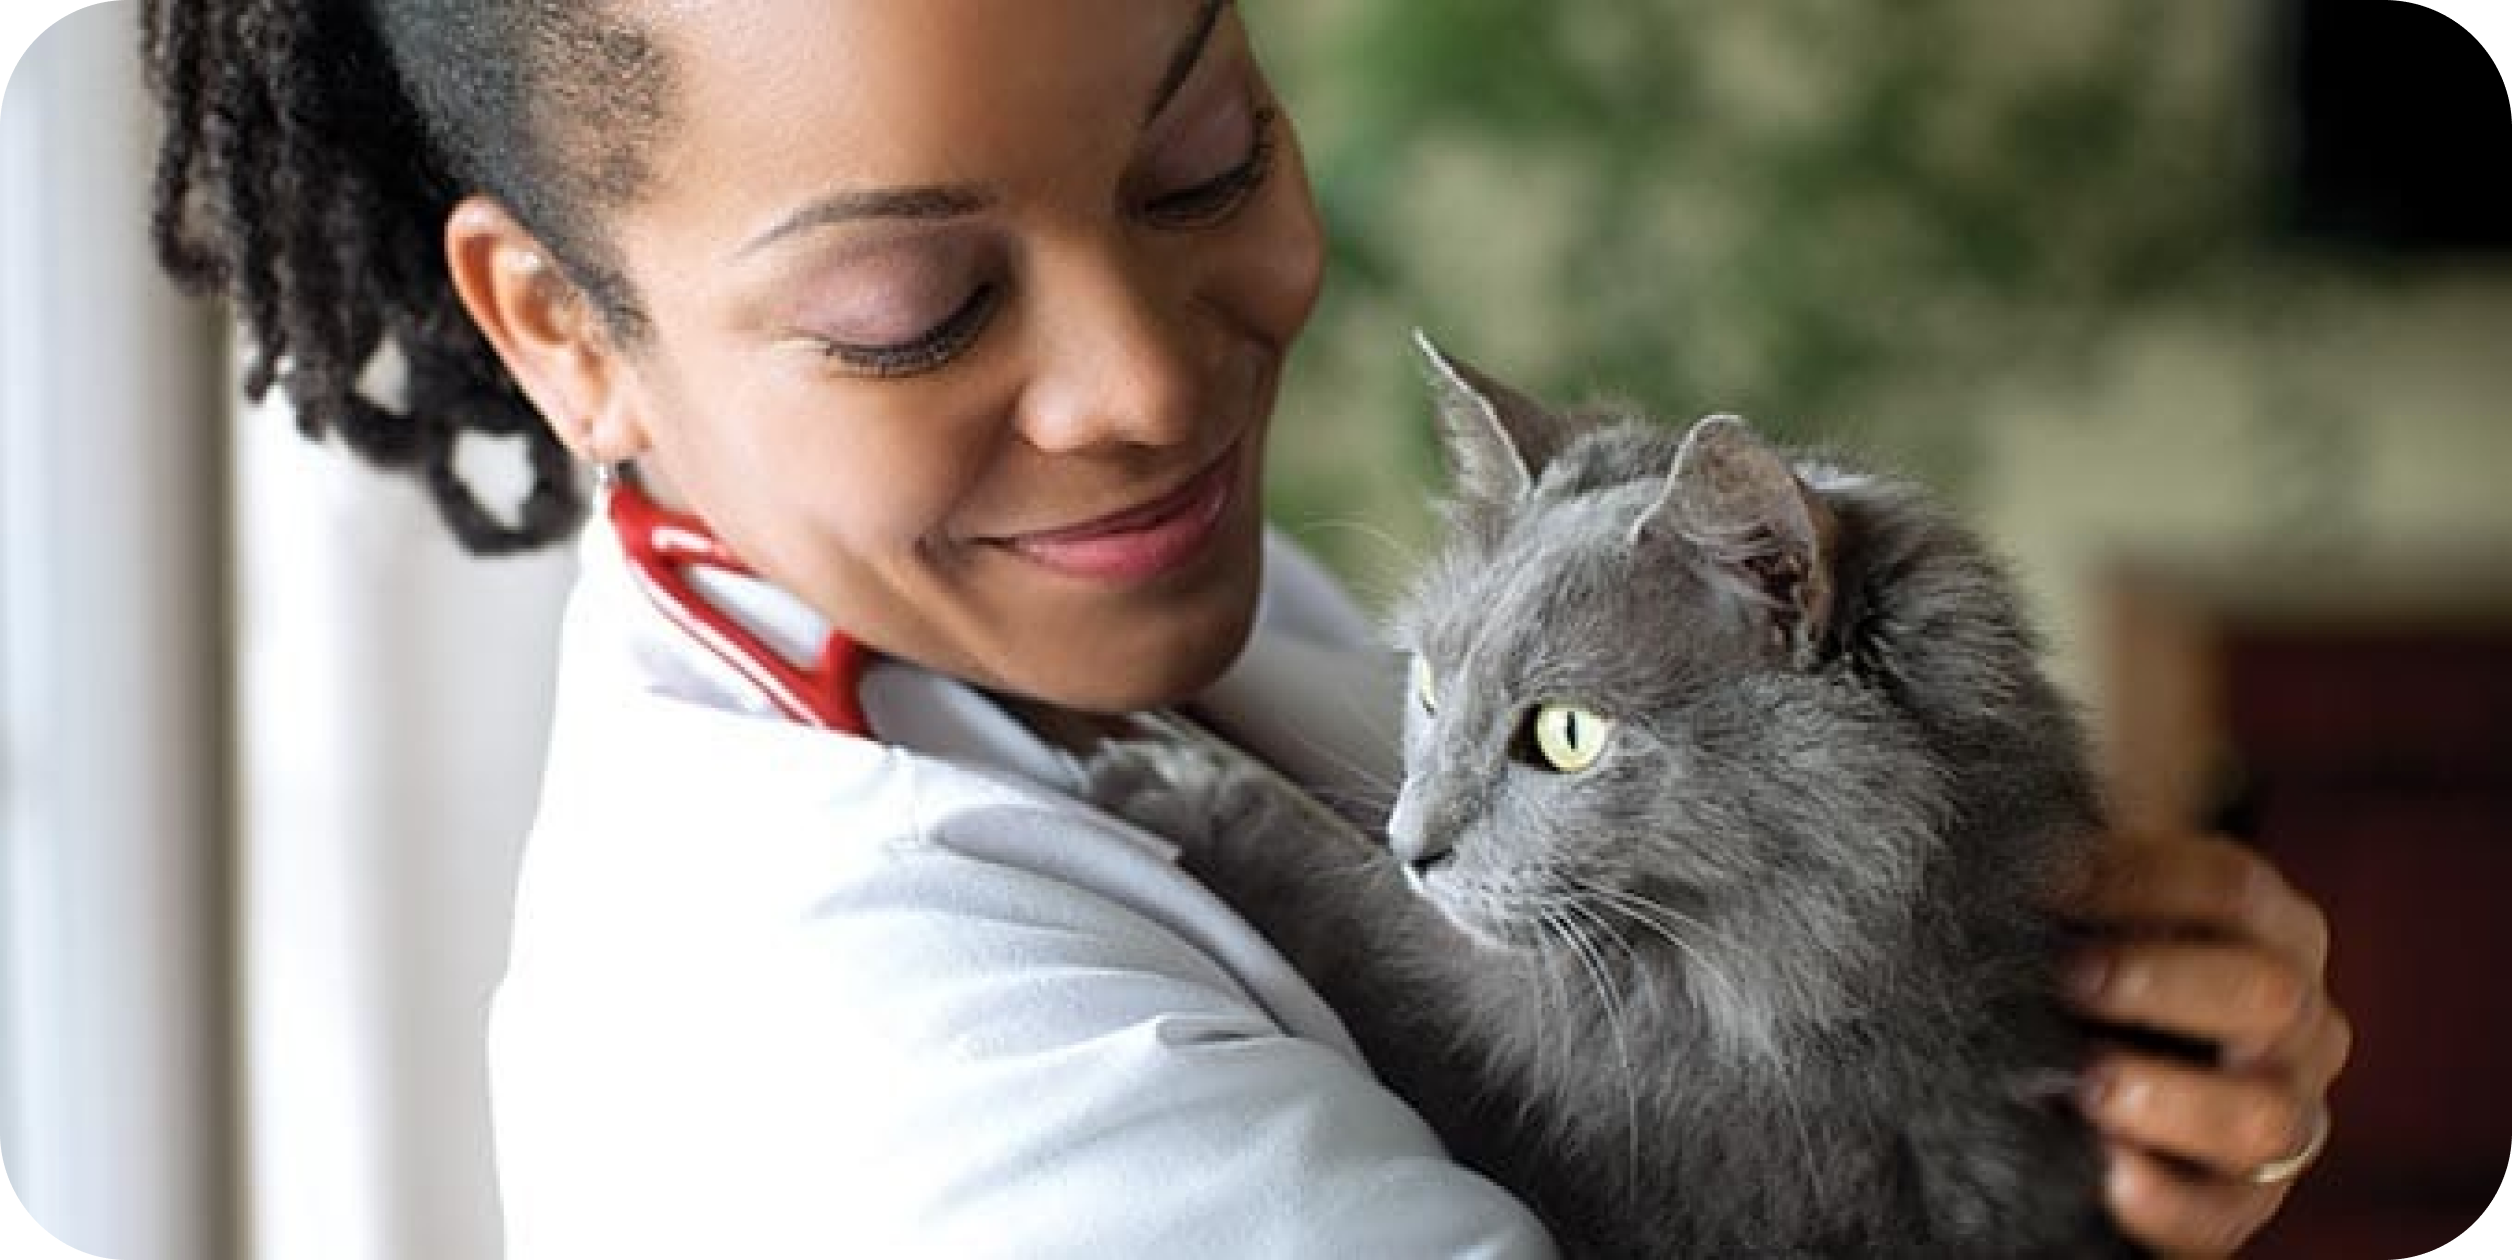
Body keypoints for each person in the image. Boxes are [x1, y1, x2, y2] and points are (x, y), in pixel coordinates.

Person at [142, 1, 2351, 1255]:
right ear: (560, 331)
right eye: (908, 311)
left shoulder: (1035, 598)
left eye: (1201, 159)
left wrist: (2120, 1105)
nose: (1153, 392)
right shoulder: (918, 1099)